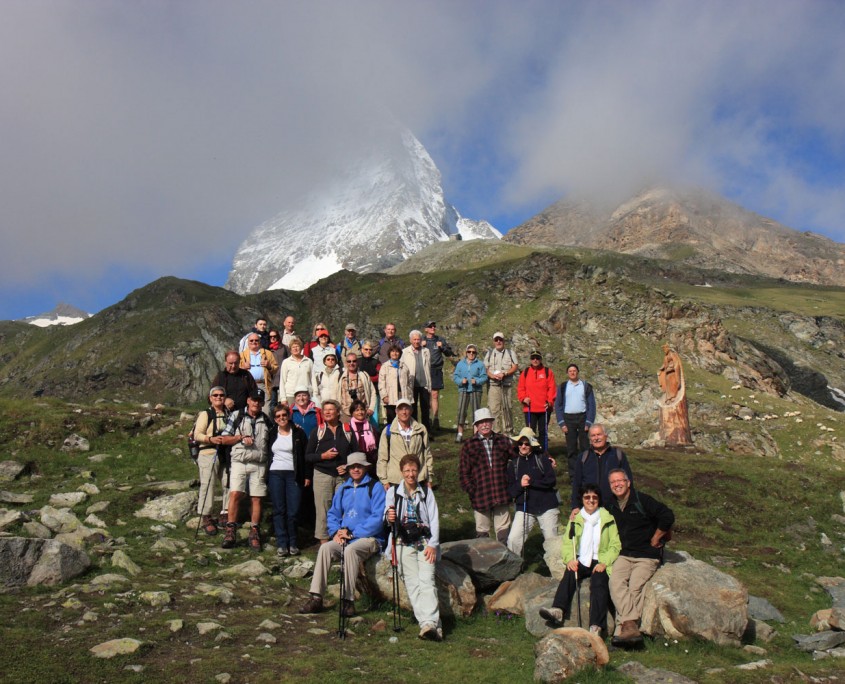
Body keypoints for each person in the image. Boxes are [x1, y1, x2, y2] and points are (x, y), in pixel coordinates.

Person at [299, 452, 386, 617]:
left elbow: (377, 518)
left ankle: (348, 601)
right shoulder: (344, 488)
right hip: (346, 536)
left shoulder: (375, 487)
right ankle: (316, 597)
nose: (355, 469)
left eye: (359, 466)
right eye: (352, 467)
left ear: (366, 467)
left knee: (350, 551)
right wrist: (335, 532)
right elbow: (333, 514)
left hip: (370, 538)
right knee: (325, 549)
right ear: (347, 469)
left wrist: (353, 534)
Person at [538, 484, 621, 637]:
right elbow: (568, 542)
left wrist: (605, 563)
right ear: (582, 499)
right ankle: (558, 610)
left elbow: (615, 545)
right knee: (570, 573)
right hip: (582, 558)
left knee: (599, 584)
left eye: (594, 497)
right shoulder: (576, 518)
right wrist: (569, 559)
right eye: (587, 497)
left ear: (599, 500)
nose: (591, 500)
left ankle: (596, 626)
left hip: (599, 560)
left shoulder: (608, 518)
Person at [606, 469, 675, 644]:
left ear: (628, 483)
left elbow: (667, 515)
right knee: (615, 582)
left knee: (635, 587)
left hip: (646, 555)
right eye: (613, 482)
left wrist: (656, 537)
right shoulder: (611, 504)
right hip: (624, 554)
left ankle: (621, 632)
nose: (617, 485)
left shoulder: (641, 500)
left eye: (620, 481)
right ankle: (631, 628)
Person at [385, 454, 443, 641]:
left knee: (427, 582)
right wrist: (389, 516)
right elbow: (387, 517)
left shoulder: (426, 492)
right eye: (407, 471)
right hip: (402, 542)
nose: (410, 474)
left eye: (413, 470)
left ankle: (430, 624)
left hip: (424, 542)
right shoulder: (393, 493)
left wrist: (433, 545)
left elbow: (434, 520)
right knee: (413, 585)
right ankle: (428, 625)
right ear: (401, 472)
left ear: (418, 471)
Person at [212, 389, 273, 551]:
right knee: (235, 494)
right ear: (248, 400)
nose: (256, 403)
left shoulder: (266, 419)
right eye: (254, 400)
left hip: (259, 463)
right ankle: (230, 530)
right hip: (239, 461)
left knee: (257, 497)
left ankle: (254, 532)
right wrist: (239, 437)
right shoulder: (236, 416)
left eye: (260, 401)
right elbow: (224, 439)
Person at [458, 408, 515, 543]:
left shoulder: (503, 441)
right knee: (482, 534)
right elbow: (463, 473)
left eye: (487, 421)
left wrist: (544, 457)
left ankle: (505, 562)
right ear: (476, 426)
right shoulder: (469, 445)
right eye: (481, 422)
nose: (484, 425)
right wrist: (473, 490)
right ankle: (485, 563)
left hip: (501, 493)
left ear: (492, 423)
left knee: (503, 533)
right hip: (481, 495)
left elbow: (521, 454)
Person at [304, 399, 355, 543]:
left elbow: (357, 453)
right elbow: (308, 456)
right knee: (323, 510)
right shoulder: (317, 431)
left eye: (331, 409)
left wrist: (347, 466)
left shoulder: (347, 430)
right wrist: (323, 456)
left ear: (338, 412)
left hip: (343, 476)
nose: (327, 412)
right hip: (322, 474)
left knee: (344, 509)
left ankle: (343, 542)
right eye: (324, 410)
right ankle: (325, 545)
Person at [505, 427, 559, 557]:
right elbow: (511, 491)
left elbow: (551, 481)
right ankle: (514, 571)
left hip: (547, 507)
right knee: (513, 540)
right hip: (525, 508)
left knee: (553, 543)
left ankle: (557, 572)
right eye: (520, 443)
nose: (523, 446)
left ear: (532, 445)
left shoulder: (542, 459)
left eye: (527, 443)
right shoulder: (513, 464)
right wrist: (520, 485)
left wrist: (531, 482)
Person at [268, 403, 310, 557]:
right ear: (275, 419)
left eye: (284, 415)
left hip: (294, 474)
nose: (281, 418)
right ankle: (281, 544)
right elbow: (267, 452)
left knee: (293, 510)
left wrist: (306, 475)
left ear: (289, 415)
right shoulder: (272, 432)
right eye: (278, 416)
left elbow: (305, 456)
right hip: (275, 473)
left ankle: (293, 543)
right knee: (279, 510)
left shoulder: (298, 432)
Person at [570, 424, 633, 519]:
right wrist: (575, 506)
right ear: (590, 439)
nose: (596, 438)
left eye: (599, 434)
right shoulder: (583, 457)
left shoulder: (617, 455)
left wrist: (629, 504)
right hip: (590, 507)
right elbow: (576, 484)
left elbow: (629, 481)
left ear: (606, 436)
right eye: (593, 435)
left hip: (615, 507)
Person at [191, 386, 231, 534]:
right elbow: (197, 434)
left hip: (225, 454)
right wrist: (211, 439)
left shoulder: (229, 414)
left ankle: (225, 513)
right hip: (208, 452)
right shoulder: (205, 414)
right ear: (210, 398)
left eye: (221, 395)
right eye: (215, 395)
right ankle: (206, 516)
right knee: (208, 483)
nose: (218, 397)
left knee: (228, 482)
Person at [377, 398, 434, 489]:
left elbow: (427, 454)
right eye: (401, 409)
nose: (404, 412)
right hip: (396, 480)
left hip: (418, 478)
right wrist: (384, 480)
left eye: (406, 408)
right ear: (396, 411)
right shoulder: (388, 431)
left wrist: (429, 477)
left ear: (411, 410)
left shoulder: (421, 429)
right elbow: (382, 457)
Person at [554, 363, 597, 479]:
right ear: (567, 373)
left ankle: (587, 472)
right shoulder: (563, 387)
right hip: (568, 419)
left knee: (585, 447)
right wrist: (562, 423)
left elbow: (591, 405)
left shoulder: (586, 386)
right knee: (571, 448)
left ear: (578, 372)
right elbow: (558, 405)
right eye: (570, 371)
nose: (572, 373)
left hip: (582, 418)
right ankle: (573, 476)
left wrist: (588, 422)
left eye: (574, 371)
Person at [517, 350, 556, 449]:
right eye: (533, 358)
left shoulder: (548, 372)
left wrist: (550, 401)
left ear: (541, 359)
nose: (535, 360)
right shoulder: (525, 372)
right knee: (530, 432)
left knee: (543, 432)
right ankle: (532, 453)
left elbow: (552, 388)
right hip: (530, 408)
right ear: (530, 359)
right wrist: (523, 398)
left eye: (537, 358)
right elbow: (521, 388)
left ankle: (543, 453)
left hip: (544, 408)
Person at [484, 332, 519, 435]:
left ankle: (508, 434)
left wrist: (506, 373)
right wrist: (491, 375)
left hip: (506, 385)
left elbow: (515, 366)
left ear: (504, 341)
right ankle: (495, 433)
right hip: (493, 386)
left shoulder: (510, 353)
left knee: (506, 409)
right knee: (493, 410)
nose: (498, 341)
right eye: (496, 340)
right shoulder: (489, 354)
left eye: (500, 339)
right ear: (493, 341)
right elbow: (486, 369)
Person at [422, 320, 454, 431]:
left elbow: (449, 353)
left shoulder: (440, 340)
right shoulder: (422, 340)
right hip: (424, 370)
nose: (433, 328)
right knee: (426, 395)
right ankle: (427, 419)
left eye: (434, 326)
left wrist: (442, 347)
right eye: (430, 326)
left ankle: (435, 419)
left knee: (435, 395)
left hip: (436, 370)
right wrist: (421, 346)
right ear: (426, 329)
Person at [452, 344, 488, 442]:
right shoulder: (460, 364)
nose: (471, 354)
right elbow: (455, 376)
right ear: (466, 352)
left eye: (473, 352)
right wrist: (460, 381)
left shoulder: (480, 364)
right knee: (461, 411)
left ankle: (476, 434)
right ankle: (459, 434)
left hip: (476, 390)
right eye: (469, 352)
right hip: (463, 390)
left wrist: (476, 381)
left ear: (476, 353)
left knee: (476, 412)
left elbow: (484, 377)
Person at [400, 330, 432, 432]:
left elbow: (428, 367)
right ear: (410, 340)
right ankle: (414, 429)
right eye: (414, 339)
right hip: (412, 385)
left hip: (424, 385)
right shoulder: (405, 352)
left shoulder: (426, 351)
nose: (416, 341)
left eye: (418, 339)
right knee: (412, 408)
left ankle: (426, 431)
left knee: (425, 409)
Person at [239, 333, 278, 415]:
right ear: (248, 343)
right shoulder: (242, 355)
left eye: (256, 340)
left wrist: (269, 366)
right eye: (251, 341)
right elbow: (235, 370)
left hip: (263, 385)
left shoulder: (267, 353)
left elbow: (275, 368)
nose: (254, 342)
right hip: (247, 386)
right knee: (248, 408)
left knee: (266, 409)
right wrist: (242, 367)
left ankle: (265, 425)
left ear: (260, 342)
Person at [378, 344, 413, 425]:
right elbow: (381, 382)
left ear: (400, 353)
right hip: (390, 396)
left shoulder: (404, 366)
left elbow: (409, 381)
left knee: (403, 417)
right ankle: (391, 436)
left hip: (402, 395)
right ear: (389, 353)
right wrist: (384, 396)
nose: (395, 353)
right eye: (392, 351)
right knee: (391, 419)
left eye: (397, 352)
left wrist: (409, 393)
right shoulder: (385, 366)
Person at [338, 352, 377, 422]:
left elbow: (373, 392)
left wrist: (371, 408)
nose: (351, 363)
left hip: (362, 413)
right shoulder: (340, 376)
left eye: (354, 361)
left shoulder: (364, 375)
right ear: (346, 363)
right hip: (346, 413)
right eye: (349, 361)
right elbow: (336, 394)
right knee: (347, 432)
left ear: (357, 362)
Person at [280, 337, 314, 405]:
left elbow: (313, 379)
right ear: (290, 349)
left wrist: (315, 394)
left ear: (301, 348)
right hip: (291, 395)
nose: (295, 349)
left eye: (297, 346)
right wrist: (283, 398)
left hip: (306, 394)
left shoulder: (308, 361)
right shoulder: (286, 362)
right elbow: (282, 381)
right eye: (293, 347)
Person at [348, 399, 380, 467]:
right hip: (355, 464)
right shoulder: (348, 429)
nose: (360, 412)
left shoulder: (371, 428)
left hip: (371, 463)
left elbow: (377, 444)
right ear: (352, 413)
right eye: (357, 410)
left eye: (362, 409)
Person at [267, 329, 289, 415]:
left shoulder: (284, 348)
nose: (272, 338)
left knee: (282, 403)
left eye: (274, 336)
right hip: (271, 380)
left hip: (283, 379)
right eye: (270, 337)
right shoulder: (266, 349)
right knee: (272, 404)